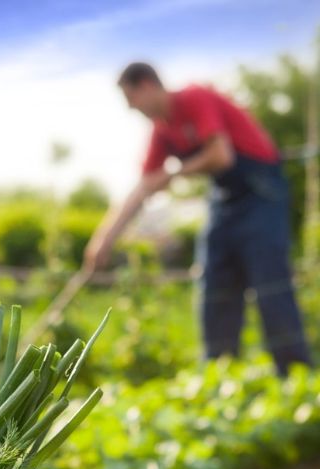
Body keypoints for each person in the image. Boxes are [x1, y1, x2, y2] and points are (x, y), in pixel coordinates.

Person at [84, 62, 311, 375]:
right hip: (225, 200)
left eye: (131, 99)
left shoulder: (194, 98)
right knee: (214, 285)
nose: (131, 108)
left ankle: (296, 377)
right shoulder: (162, 131)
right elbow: (143, 186)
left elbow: (221, 155)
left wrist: (174, 171)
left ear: (147, 85)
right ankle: (219, 377)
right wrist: (103, 240)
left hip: (262, 194)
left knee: (270, 286)